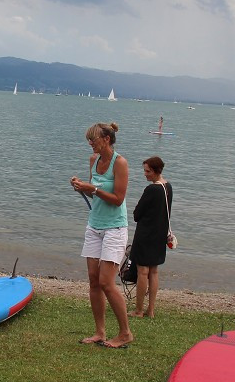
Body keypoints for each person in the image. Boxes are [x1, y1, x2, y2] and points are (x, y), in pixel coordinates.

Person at [70, 122, 133, 349]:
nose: (90, 143)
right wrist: (81, 187)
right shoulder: (93, 160)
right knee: (94, 280)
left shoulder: (120, 163)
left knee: (107, 282)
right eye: (89, 140)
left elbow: (118, 199)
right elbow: (95, 194)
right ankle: (100, 332)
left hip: (115, 228)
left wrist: (93, 189)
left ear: (106, 139)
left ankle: (125, 333)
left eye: (93, 140)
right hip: (94, 226)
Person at [128, 156, 172, 318]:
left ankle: (139, 309)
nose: (145, 174)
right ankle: (150, 310)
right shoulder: (168, 187)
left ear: (155, 171)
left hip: (146, 234)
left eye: (147, 171)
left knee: (142, 272)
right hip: (160, 233)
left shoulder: (152, 189)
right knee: (154, 271)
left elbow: (137, 214)